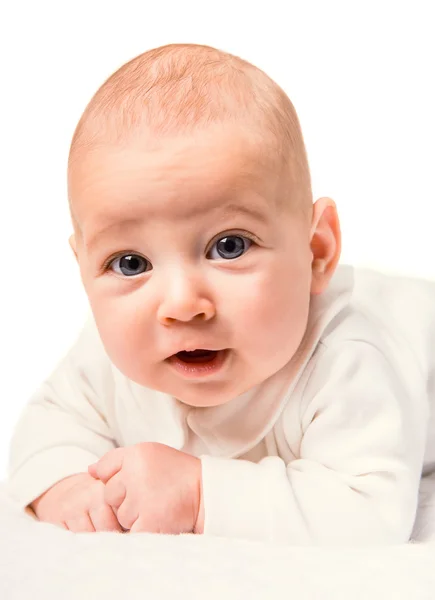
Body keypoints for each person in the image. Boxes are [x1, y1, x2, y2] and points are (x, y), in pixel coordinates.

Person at [7, 43, 435, 545]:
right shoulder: (106, 359)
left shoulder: (345, 360)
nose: (183, 303)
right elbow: (49, 424)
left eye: (228, 247)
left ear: (316, 251)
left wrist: (198, 493)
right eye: (131, 264)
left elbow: (368, 513)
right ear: (83, 271)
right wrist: (66, 484)